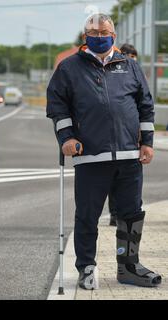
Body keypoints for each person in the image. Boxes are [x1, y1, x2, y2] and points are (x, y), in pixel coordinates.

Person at [46, 13, 162, 289]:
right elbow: (57, 106)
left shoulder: (130, 66)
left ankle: (129, 266)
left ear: (114, 35)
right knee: (87, 215)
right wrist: (66, 137)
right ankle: (86, 267)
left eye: (105, 33)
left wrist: (147, 141)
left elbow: (145, 105)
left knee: (131, 214)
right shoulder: (69, 67)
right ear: (85, 37)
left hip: (129, 156)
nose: (100, 38)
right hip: (90, 156)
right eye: (94, 34)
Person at [109, 43, 139, 227]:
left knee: (131, 184)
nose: (131, 58)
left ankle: (127, 216)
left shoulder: (137, 73)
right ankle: (114, 213)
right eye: (127, 54)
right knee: (113, 180)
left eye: (133, 55)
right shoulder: (114, 74)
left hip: (132, 138)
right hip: (115, 137)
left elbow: (145, 104)